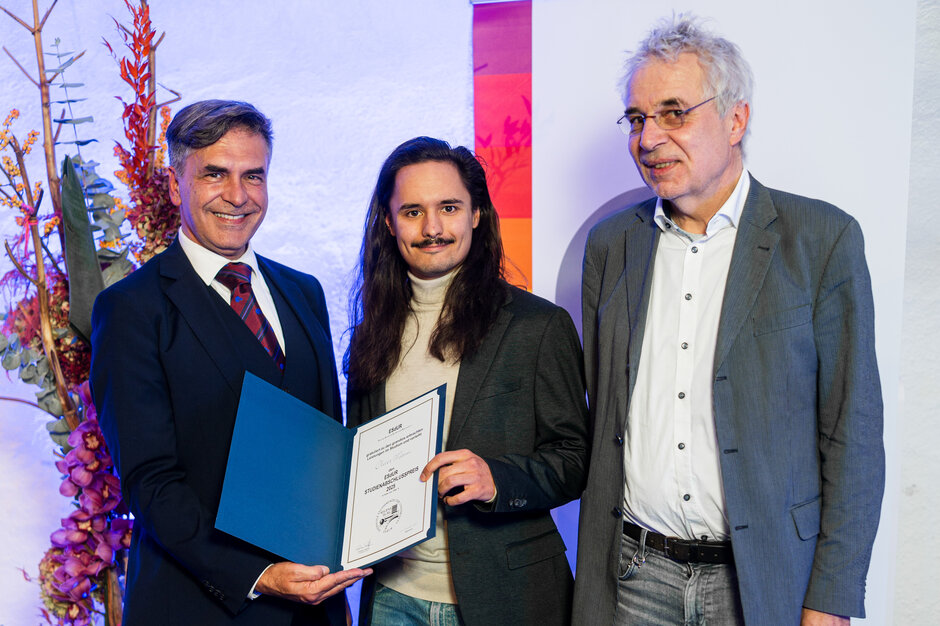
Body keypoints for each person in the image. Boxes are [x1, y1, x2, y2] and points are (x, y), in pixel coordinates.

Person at [573, 15, 884, 626]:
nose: (649, 138)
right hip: (633, 575)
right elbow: (599, 409)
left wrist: (831, 597)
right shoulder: (611, 245)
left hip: (764, 580)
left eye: (673, 113)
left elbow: (853, 436)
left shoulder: (821, 240)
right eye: (637, 119)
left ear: (736, 119)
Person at [90, 100, 369, 625]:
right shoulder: (131, 309)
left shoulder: (303, 292)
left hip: (316, 605)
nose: (237, 196)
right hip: (200, 606)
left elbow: (327, 442)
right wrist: (258, 575)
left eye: (253, 176)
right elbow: (150, 482)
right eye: (214, 174)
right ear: (176, 186)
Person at [345, 136, 589, 626]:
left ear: (476, 213)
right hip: (393, 598)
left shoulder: (538, 326)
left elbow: (576, 458)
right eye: (412, 211)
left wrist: (497, 479)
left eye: (449, 207)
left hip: (509, 597)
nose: (432, 228)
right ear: (389, 223)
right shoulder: (373, 333)